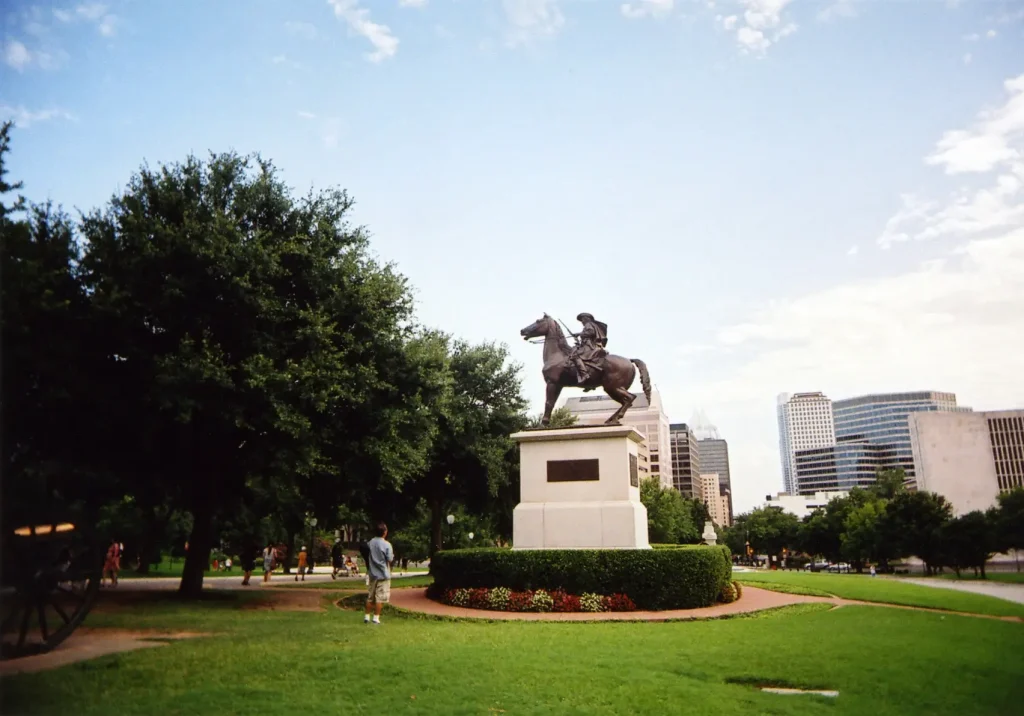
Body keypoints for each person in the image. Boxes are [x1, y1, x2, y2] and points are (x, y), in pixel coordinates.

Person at [364, 522, 394, 625]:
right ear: (385, 532)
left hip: (372, 573)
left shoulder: (370, 543)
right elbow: (389, 559)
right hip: (383, 574)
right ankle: (376, 618)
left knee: (370, 595)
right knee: (379, 597)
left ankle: (366, 616)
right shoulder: (387, 545)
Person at [569, 312, 608, 389]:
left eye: (583, 320)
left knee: (575, 355)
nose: (582, 322)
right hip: (588, 345)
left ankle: (584, 375)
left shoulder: (589, 324)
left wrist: (579, 334)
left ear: (587, 318)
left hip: (590, 346)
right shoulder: (590, 325)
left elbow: (591, 332)